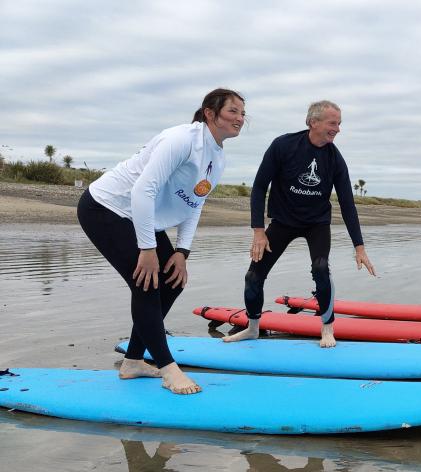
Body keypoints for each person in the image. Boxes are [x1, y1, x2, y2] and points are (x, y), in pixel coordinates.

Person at [77, 88, 246, 394]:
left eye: (243, 113)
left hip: (142, 216)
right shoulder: (181, 140)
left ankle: (132, 362)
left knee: (173, 281)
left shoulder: (217, 157)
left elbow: (195, 204)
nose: (240, 118)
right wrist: (147, 248)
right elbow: (143, 190)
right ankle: (168, 368)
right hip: (107, 207)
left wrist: (182, 251)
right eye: (233, 111)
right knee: (147, 283)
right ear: (210, 113)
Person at [223, 100, 375, 348]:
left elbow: (348, 204)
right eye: (332, 123)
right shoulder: (284, 145)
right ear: (313, 122)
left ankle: (327, 329)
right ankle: (252, 328)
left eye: (339, 123)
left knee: (320, 268)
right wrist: (258, 232)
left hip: (316, 223)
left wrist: (359, 247)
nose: (337, 129)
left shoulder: (335, 159)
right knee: (253, 276)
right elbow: (260, 186)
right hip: (283, 222)